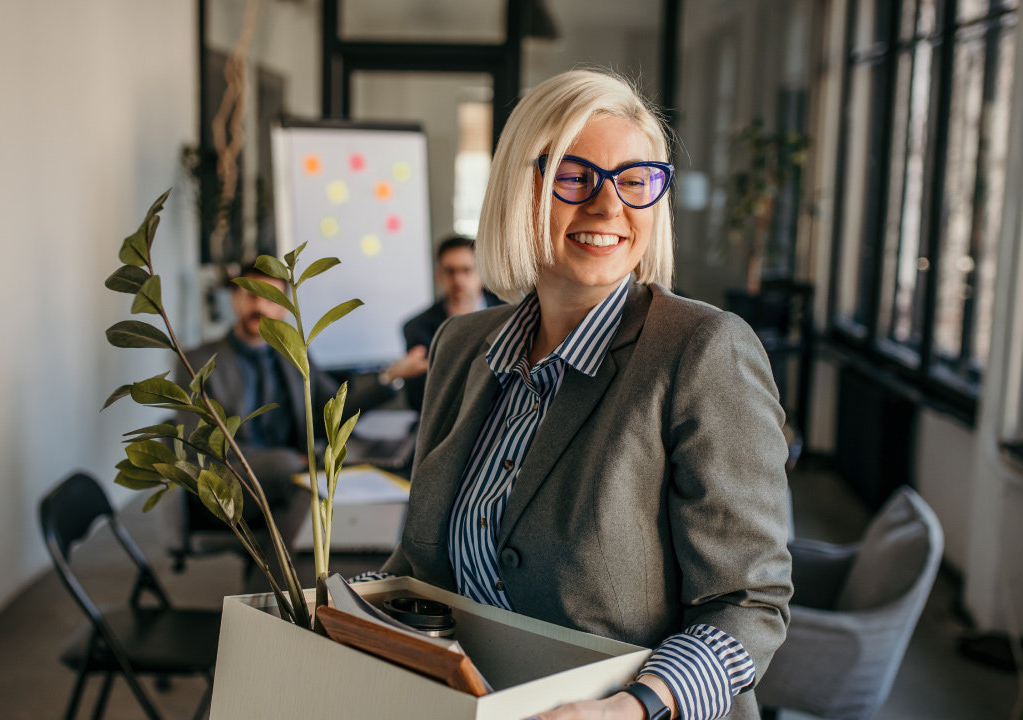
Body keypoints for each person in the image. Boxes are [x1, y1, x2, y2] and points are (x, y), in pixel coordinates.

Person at [371, 70, 792, 720]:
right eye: (574, 176)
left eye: (634, 179)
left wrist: (632, 707)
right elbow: (423, 567)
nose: (607, 206)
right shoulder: (460, 345)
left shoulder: (704, 351)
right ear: (519, 187)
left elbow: (749, 603)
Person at [175, 265, 426, 540]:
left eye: (270, 297)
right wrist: (290, 461)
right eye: (250, 295)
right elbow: (202, 445)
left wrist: (390, 376)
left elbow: (333, 413)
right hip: (232, 479)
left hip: (298, 471)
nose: (259, 305)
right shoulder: (197, 362)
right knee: (302, 485)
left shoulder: (293, 353)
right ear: (235, 299)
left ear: (283, 309)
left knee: (386, 465)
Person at [399, 236, 505, 411]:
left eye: (467, 270)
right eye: (450, 271)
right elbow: (419, 400)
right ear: (439, 275)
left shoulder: (512, 316)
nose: (458, 280)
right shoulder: (417, 327)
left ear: (482, 272)